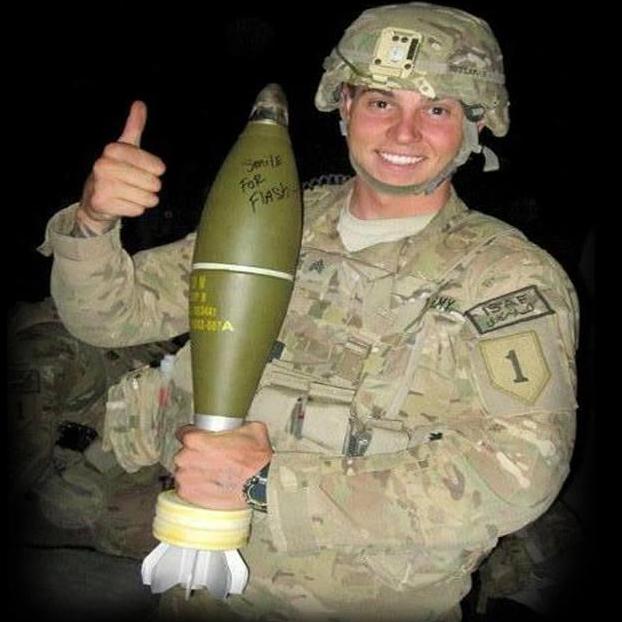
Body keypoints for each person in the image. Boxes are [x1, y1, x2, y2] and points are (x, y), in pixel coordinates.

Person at [35, 3, 578, 620]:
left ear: (474, 125)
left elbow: (520, 473)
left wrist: (270, 485)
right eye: (381, 102)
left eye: (436, 110)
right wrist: (92, 223)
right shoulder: (272, 218)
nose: (404, 133)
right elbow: (108, 317)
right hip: (199, 590)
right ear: (344, 105)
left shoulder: (505, 275)